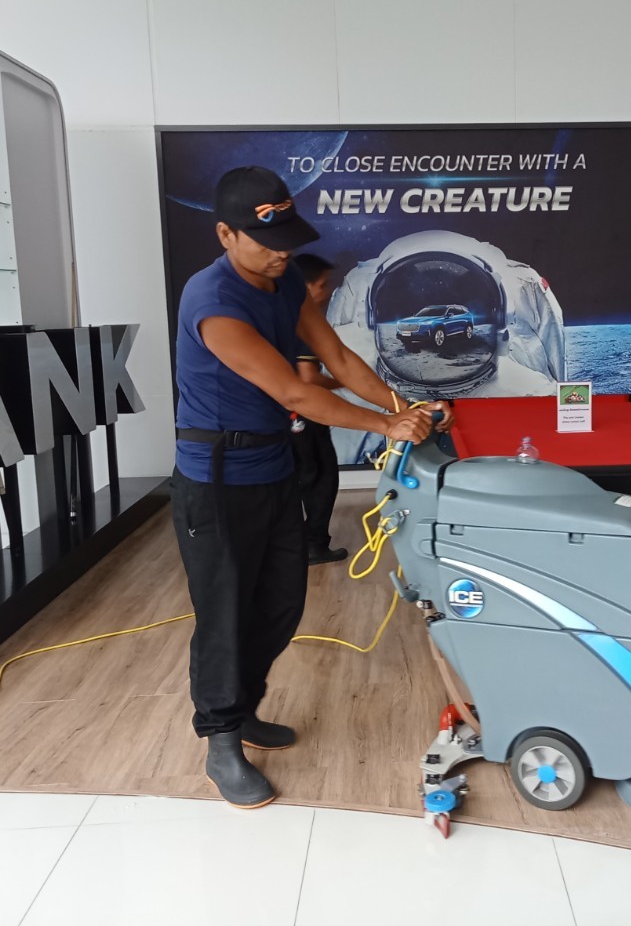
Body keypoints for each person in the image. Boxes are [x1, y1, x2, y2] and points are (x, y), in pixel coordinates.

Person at [172, 166, 451, 808]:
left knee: (281, 603)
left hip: (273, 467)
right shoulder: (212, 301)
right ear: (225, 235)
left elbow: (340, 361)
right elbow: (294, 392)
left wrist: (406, 407)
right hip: (217, 480)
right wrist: (386, 425)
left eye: (287, 241)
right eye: (265, 242)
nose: (281, 254)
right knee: (225, 612)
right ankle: (221, 738)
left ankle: (242, 708)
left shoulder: (288, 281)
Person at [289, 253, 346, 566]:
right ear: (304, 287)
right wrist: (341, 382)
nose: (326, 292)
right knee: (322, 477)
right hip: (306, 416)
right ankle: (315, 545)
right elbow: (309, 378)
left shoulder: (280, 319)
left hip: (285, 417)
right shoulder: (306, 325)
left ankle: (293, 545)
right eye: (322, 285)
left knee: (299, 479)